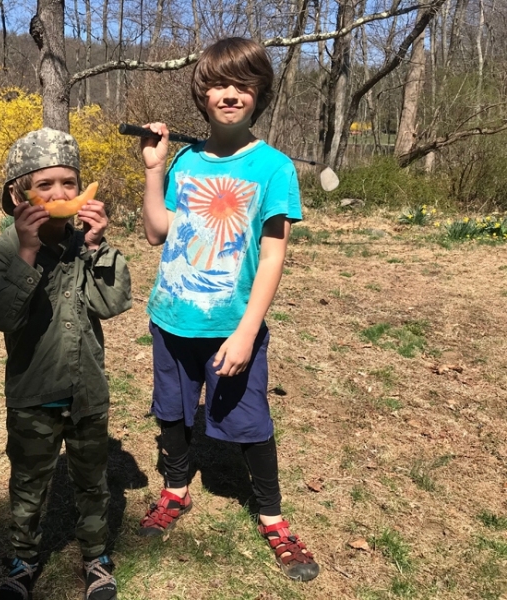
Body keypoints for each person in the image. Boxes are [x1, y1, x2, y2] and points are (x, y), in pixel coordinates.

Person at [136, 37, 320, 582]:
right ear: (202, 93)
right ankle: (175, 490)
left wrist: (246, 332)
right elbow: (155, 232)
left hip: (231, 326)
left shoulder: (273, 168)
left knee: (250, 421)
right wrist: (154, 168)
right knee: (172, 409)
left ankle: (272, 516)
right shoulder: (186, 160)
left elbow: (272, 254)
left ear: (259, 93)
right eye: (218, 84)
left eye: (243, 84)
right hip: (171, 318)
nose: (230, 94)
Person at [0, 128, 132, 600]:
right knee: (29, 483)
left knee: (92, 481)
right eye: (45, 185)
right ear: (16, 193)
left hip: (87, 389)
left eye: (69, 183)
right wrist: (26, 253)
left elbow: (112, 302)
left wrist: (98, 247)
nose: (60, 194)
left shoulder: (86, 244)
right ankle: (23, 559)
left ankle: (96, 558)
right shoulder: (4, 249)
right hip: (33, 392)